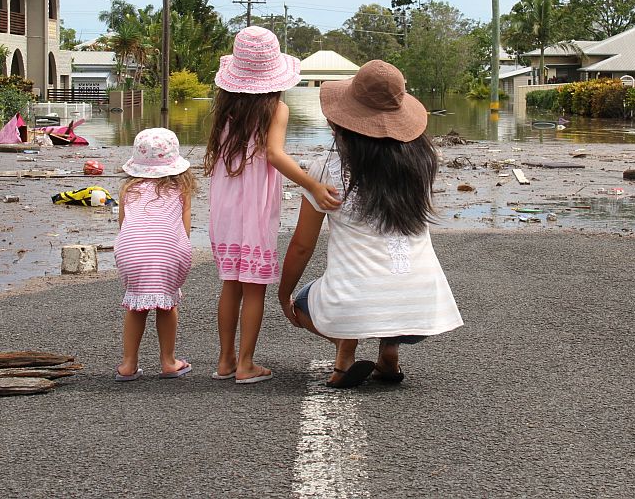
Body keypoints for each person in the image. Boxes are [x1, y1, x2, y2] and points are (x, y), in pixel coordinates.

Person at [278, 60, 463, 389]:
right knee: (391, 286)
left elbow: (303, 245)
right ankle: (389, 352)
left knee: (302, 302)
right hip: (422, 309)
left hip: (354, 307)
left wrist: (283, 295)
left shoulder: (326, 170)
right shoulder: (421, 165)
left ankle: (344, 347)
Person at [205, 26, 341, 385]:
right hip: (254, 207)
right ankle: (246, 363)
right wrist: (312, 184)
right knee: (254, 287)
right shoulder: (276, 109)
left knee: (230, 284)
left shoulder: (225, 110)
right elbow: (274, 154)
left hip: (225, 205)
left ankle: (225, 360)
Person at [112, 128, 195, 381]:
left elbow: (124, 225)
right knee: (167, 305)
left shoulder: (129, 190)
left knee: (136, 306)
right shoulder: (180, 189)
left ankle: (128, 364)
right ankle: (168, 361)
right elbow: (185, 228)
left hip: (130, 251)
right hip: (167, 250)